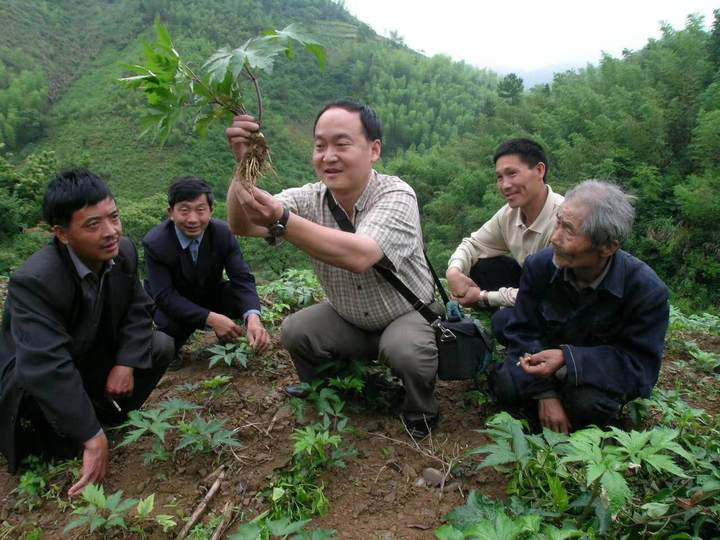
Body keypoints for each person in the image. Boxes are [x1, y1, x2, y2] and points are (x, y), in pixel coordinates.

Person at [225, 100, 438, 436]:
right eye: (320, 146)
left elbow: (360, 256)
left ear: (374, 149)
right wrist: (244, 164)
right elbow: (243, 224)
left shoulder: (397, 195)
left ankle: (419, 410)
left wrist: (283, 221)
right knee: (296, 330)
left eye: (342, 144)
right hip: (350, 317)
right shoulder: (310, 198)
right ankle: (330, 391)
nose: (328, 156)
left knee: (405, 350)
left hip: (405, 314)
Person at [0, 169, 174, 496]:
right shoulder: (35, 282)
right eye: (93, 225)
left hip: (87, 354)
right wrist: (91, 438)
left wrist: (125, 363)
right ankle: (80, 432)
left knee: (159, 345)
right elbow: (47, 366)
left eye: (114, 217)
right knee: (56, 442)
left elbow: (138, 309)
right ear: (62, 234)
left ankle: (106, 418)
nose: (111, 232)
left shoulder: (122, 252)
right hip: (36, 379)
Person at [490, 180, 669, 433]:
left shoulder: (646, 291)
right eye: (558, 222)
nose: (554, 237)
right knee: (507, 384)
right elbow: (522, 331)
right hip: (543, 364)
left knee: (588, 405)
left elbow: (640, 367)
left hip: (591, 375)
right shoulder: (539, 267)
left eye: (569, 231)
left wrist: (567, 358)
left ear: (607, 246)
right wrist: (546, 394)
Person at [143, 176, 269, 367]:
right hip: (172, 303)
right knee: (168, 328)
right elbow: (165, 296)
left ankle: (233, 334)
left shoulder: (223, 233)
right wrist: (211, 319)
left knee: (240, 299)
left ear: (211, 211)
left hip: (208, 292)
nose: (193, 219)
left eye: (200, 210)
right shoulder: (156, 243)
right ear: (171, 212)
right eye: (184, 211)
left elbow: (241, 278)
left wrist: (253, 317)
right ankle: (174, 349)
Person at [446, 138, 564, 339]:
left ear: (539, 170)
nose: (505, 185)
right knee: (483, 266)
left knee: (503, 323)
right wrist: (454, 271)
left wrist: (484, 297)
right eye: (500, 177)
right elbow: (473, 244)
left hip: (558, 301)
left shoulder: (563, 220)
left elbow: (545, 293)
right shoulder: (509, 214)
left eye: (512, 174)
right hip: (531, 284)